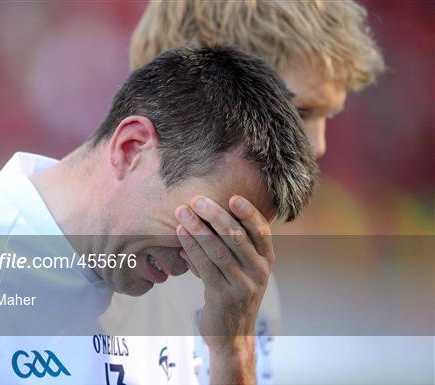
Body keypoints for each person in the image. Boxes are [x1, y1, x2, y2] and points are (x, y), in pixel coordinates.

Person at [0, 47, 317, 384]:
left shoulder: (206, 301)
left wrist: (232, 351)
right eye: (208, 224)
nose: (202, 258)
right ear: (131, 149)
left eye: (230, 239)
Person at [112, 1, 385, 383]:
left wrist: (235, 355)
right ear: (203, 89)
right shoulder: (57, 268)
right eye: (299, 113)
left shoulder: (246, 278)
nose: (318, 144)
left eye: (328, 115)